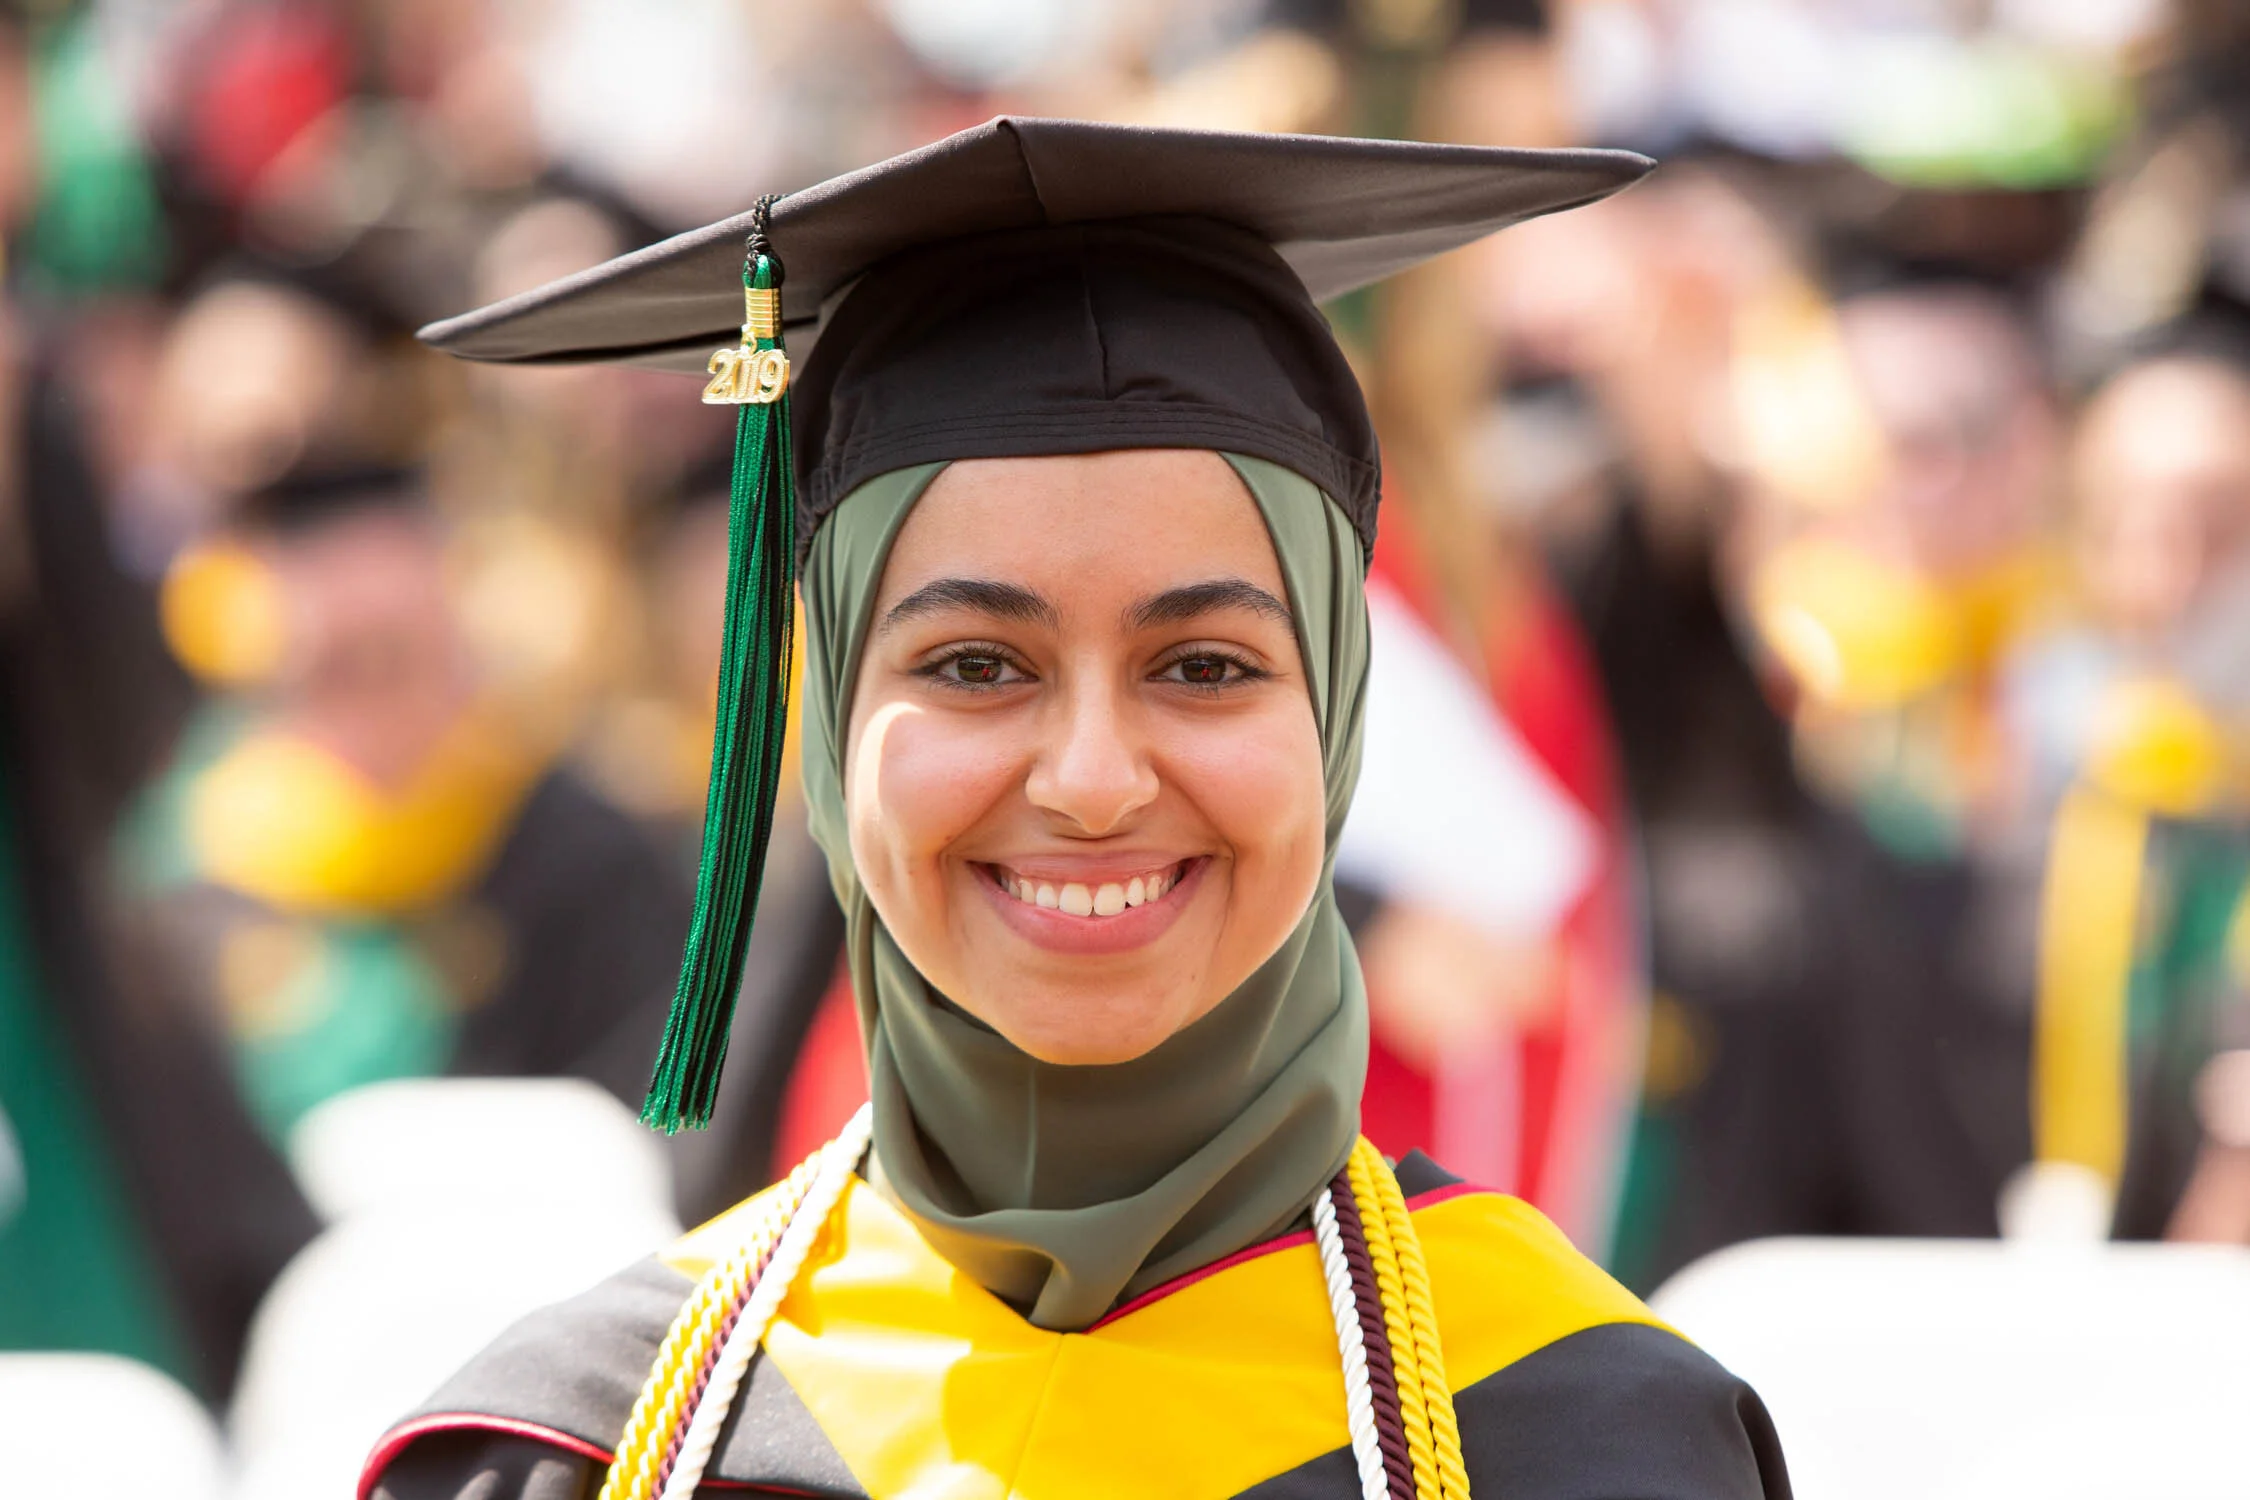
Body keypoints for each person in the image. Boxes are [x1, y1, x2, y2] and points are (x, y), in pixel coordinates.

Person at [361, 118, 1789, 1500]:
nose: (1093, 780)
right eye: (975, 666)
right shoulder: (581, 1447)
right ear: (832, 729)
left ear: (1339, 718)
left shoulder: (1580, 1437)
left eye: (1204, 666)